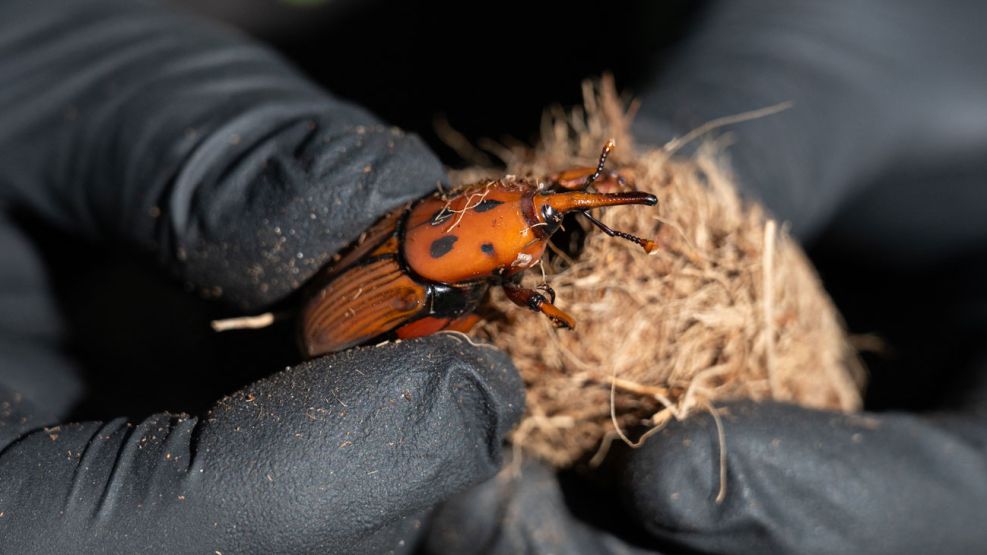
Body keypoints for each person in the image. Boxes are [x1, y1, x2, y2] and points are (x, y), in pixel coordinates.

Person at [1, 0, 985, 553]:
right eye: (530, 221)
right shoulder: (467, 259)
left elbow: (510, 218)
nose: (540, 220)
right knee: (446, 343)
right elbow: (493, 254)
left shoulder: (485, 221)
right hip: (363, 309)